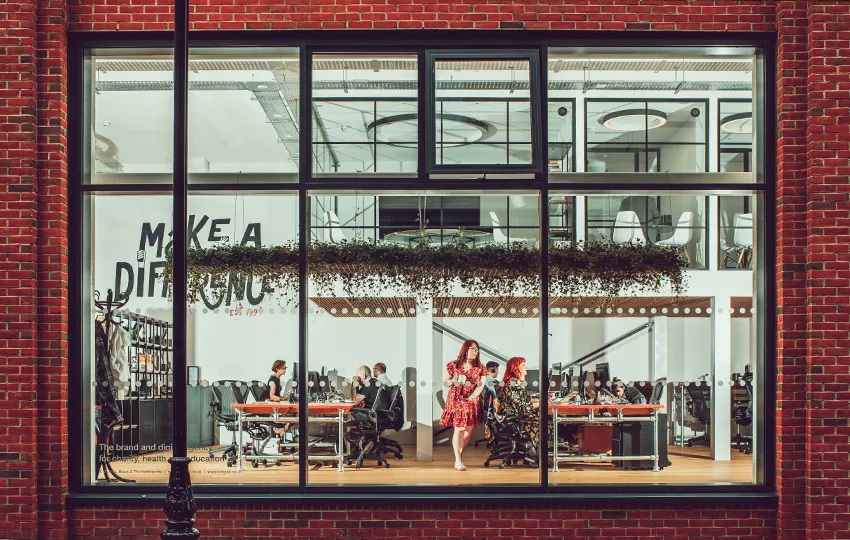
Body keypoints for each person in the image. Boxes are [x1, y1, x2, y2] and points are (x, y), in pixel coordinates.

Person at [440, 340, 486, 471]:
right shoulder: (454, 365)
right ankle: (458, 461)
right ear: (465, 350)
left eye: (477, 349)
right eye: (473, 349)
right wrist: (452, 382)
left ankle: (459, 456)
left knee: (467, 434)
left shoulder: (480, 367)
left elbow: (481, 385)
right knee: (459, 429)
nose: (475, 351)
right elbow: (445, 382)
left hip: (472, 400)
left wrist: (474, 395)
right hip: (456, 399)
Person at [498, 357, 552, 458]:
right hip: (517, 418)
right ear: (516, 368)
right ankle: (535, 452)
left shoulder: (515, 382)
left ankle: (533, 448)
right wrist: (543, 402)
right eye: (523, 365)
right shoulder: (514, 384)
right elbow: (525, 407)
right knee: (548, 422)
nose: (525, 367)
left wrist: (540, 400)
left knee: (545, 418)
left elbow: (525, 399)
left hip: (515, 416)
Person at [265, 360, 290, 441]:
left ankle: (281, 430)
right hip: (273, 408)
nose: (285, 370)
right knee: (295, 416)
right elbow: (272, 396)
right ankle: (281, 430)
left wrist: (284, 398)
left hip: (277, 406)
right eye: (283, 368)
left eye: (285, 368)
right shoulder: (273, 380)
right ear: (277, 368)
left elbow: (277, 394)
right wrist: (282, 399)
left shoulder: (277, 379)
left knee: (294, 415)